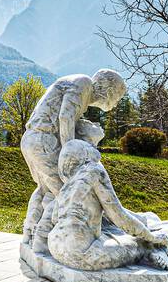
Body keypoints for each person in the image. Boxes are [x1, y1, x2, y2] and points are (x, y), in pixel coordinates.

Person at [21, 69, 127, 252]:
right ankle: (42, 239)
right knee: (64, 193)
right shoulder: (84, 83)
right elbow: (66, 117)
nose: (117, 103)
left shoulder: (80, 90)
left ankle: (29, 232)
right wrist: (69, 155)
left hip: (33, 140)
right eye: (118, 96)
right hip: (44, 141)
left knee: (45, 189)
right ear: (109, 90)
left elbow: (68, 118)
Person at [46, 140, 168, 271]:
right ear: (86, 154)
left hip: (56, 247)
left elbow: (55, 219)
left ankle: (160, 248)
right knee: (157, 234)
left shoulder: (66, 188)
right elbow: (119, 216)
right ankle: (158, 250)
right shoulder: (94, 171)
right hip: (84, 253)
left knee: (127, 231)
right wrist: (150, 236)